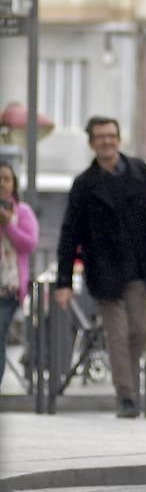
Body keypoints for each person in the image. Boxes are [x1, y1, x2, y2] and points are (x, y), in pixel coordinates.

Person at [55, 116, 146, 418]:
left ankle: (126, 383)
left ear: (119, 139)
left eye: (112, 136)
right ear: (92, 143)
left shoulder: (140, 172)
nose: (107, 141)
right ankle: (127, 397)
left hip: (139, 268)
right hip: (104, 271)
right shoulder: (84, 183)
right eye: (101, 137)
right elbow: (70, 233)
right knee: (117, 334)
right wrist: (63, 280)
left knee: (140, 331)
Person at [0, 161, 38, 388]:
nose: (1, 183)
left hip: (8, 289)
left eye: (6, 178)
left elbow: (29, 243)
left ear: (13, 184)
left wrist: (8, 225)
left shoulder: (22, 212)